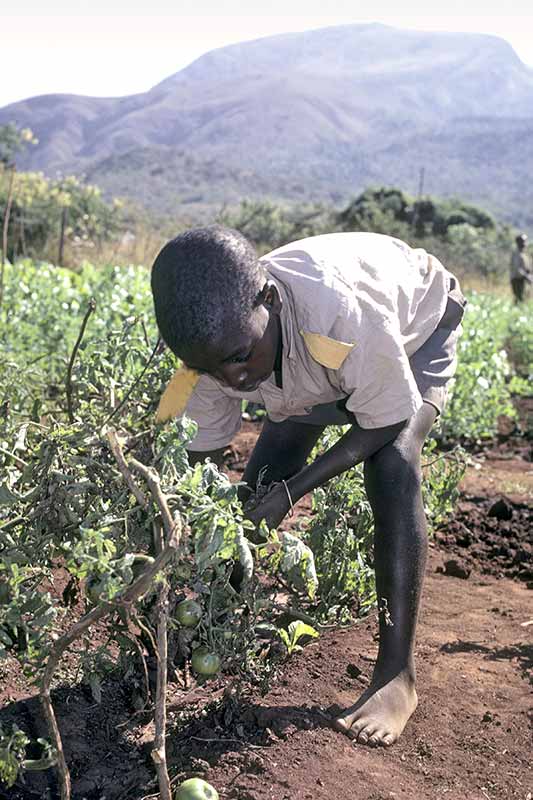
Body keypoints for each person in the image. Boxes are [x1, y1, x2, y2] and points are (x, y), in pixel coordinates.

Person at [151, 226, 466, 748]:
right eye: (210, 369)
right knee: (259, 485)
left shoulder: (340, 313)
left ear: (269, 301)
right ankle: (217, 616)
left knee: (392, 463)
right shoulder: (218, 344)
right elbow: (198, 460)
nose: (231, 380)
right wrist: (179, 531)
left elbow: (385, 419)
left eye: (237, 358)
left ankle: (395, 676)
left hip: (415, 329)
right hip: (317, 358)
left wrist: (294, 492)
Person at [510, 234, 532, 303]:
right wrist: (526, 276)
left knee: (523, 298)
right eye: (523, 241)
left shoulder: (524, 254)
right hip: (517, 280)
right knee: (519, 299)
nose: (524, 243)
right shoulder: (517, 254)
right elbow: (517, 269)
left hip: (521, 280)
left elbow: (526, 268)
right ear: (518, 242)